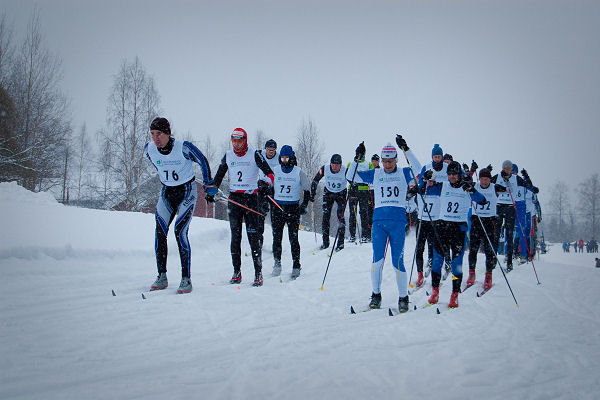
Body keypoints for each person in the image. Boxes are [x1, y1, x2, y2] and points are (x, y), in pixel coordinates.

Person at [347, 135, 421, 313]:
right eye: (385, 161)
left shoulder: (403, 173)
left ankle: (403, 298)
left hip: (397, 222)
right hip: (379, 223)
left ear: (395, 160)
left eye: (391, 161)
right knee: (377, 261)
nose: (388, 164)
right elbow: (350, 176)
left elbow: (418, 169)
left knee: (398, 262)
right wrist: (356, 158)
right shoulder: (376, 173)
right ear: (381, 161)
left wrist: (406, 149)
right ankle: (376, 295)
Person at [144, 117, 216, 294]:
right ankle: (162, 276)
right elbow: (157, 164)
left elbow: (202, 159)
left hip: (186, 191)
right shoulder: (149, 149)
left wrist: (208, 183)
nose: (156, 138)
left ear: (168, 133)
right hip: (167, 193)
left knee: (179, 231)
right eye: (152, 134)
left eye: (159, 134)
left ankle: (186, 279)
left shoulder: (183, 147)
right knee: (160, 232)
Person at [211, 128, 275, 287]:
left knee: (253, 238)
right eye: (234, 141)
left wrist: (266, 184)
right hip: (235, 199)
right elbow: (218, 176)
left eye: (240, 141)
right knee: (235, 237)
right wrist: (211, 190)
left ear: (245, 140)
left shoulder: (255, 154)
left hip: (251, 199)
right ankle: (236, 272)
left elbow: (270, 173)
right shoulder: (228, 155)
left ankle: (258, 273)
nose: (237, 145)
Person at [421, 161, 487, 308]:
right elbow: (424, 188)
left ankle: (454, 295)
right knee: (437, 261)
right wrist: (426, 178)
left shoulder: (466, 187)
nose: (451, 176)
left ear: (459, 174)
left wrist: (472, 190)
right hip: (442, 227)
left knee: (456, 265)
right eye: (449, 174)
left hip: (459, 230)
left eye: (454, 174)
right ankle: (435, 291)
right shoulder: (443, 186)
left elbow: (482, 201)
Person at [269, 145, 311, 278]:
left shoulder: (298, 172)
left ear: (291, 158)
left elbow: (307, 189)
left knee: (293, 238)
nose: (284, 160)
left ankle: (296, 265)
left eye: (287, 157)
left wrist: (304, 205)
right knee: (277, 237)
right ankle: (277, 263)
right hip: (277, 207)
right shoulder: (275, 170)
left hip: (293, 208)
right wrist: (266, 200)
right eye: (282, 157)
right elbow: (268, 187)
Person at [491, 160, 536, 271]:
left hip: (511, 207)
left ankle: (509, 261)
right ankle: (493, 259)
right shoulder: (497, 177)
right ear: (502, 168)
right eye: (505, 168)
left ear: (511, 169)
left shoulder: (516, 178)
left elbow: (529, 186)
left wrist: (526, 176)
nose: (507, 170)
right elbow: (486, 184)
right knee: (496, 234)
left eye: (509, 168)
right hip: (499, 206)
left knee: (510, 234)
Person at [467, 167, 506, 290]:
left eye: (487, 179)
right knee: (473, 249)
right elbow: (465, 182)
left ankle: (488, 275)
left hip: (490, 222)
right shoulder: (475, 186)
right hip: (476, 221)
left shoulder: (494, 187)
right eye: (482, 179)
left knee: (489, 250)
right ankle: (471, 273)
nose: (484, 181)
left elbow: (505, 189)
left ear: (490, 179)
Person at [414, 144, 448, 287]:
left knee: (436, 246)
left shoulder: (447, 168)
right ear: (432, 157)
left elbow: (451, 185)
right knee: (419, 247)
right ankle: (420, 275)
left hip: (438, 215)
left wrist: (437, 183)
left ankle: (437, 271)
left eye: (439, 156)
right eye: (435, 156)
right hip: (424, 214)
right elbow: (420, 187)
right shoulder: (426, 167)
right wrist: (425, 181)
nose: (437, 159)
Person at [311, 154, 348, 251]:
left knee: (340, 216)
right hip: (328, 193)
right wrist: (312, 192)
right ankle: (325, 242)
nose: (335, 167)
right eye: (333, 164)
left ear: (341, 165)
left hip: (341, 193)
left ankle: (340, 243)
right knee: (325, 216)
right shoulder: (325, 168)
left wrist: (354, 188)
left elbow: (353, 180)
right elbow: (315, 180)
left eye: (337, 165)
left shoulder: (345, 170)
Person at [257, 139, 279, 245]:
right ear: (265, 149)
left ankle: (276, 243)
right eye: (269, 150)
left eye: (273, 150)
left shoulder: (279, 157)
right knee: (260, 213)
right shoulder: (260, 155)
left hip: (275, 189)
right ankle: (259, 241)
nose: (271, 152)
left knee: (275, 217)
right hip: (262, 187)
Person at [346, 152, 372, 243]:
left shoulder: (369, 164)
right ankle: (353, 235)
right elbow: (347, 175)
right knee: (353, 213)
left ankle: (364, 235)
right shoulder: (351, 163)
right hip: (353, 190)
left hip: (364, 190)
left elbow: (372, 176)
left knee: (363, 213)